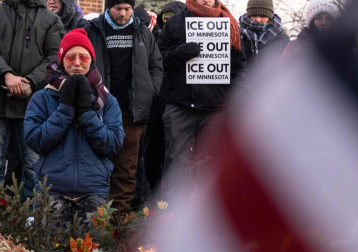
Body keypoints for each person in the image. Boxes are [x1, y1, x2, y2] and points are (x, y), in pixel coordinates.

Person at [24, 29, 124, 229]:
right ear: (62, 60)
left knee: (94, 247)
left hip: (94, 189)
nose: (77, 63)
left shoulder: (106, 100)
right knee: (52, 247)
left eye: (83, 57)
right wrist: (65, 110)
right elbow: (35, 140)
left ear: (91, 60)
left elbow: (113, 144)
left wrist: (86, 113)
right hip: (52, 189)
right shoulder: (42, 98)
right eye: (71, 57)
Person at [0, 0, 64, 201]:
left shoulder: (50, 19)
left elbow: (55, 56)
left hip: (33, 103)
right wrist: (5, 74)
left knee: (33, 163)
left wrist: (31, 82)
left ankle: (31, 212)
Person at [79, 0, 163, 215]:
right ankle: (94, 218)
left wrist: (149, 91)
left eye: (127, 9)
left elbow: (156, 65)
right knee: (95, 164)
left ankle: (118, 221)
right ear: (109, 8)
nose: (123, 13)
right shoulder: (91, 30)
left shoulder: (143, 32)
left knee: (126, 169)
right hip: (97, 110)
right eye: (118, 9)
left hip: (131, 112)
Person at [158, 0, 246, 200]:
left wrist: (235, 98)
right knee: (175, 163)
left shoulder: (230, 26)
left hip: (216, 108)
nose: (205, 0)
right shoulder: (175, 23)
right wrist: (179, 54)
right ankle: (170, 211)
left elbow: (239, 67)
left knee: (210, 165)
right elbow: (158, 59)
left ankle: (208, 212)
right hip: (181, 104)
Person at [279, 0, 336, 65]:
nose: (324, 22)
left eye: (328, 19)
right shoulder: (293, 46)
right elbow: (281, 70)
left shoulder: (339, 46)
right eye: (319, 18)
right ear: (311, 21)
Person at [238, 0, 289, 67]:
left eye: (262, 16)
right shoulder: (237, 37)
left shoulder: (282, 39)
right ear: (249, 16)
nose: (258, 19)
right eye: (254, 15)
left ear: (269, 17)